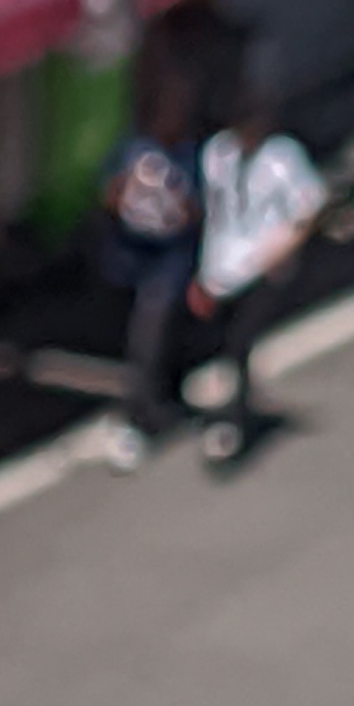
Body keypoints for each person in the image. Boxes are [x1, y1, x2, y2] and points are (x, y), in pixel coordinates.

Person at [188, 100, 323, 472]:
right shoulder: (218, 154)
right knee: (220, 346)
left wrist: (281, 248)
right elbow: (213, 213)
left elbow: (308, 206)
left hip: (261, 266)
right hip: (222, 266)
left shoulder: (281, 156)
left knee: (238, 343)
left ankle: (231, 421)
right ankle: (235, 404)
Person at [98, 85, 204, 451]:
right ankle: (140, 411)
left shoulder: (189, 156)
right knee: (143, 339)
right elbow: (108, 192)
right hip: (133, 255)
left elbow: (199, 207)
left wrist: (180, 210)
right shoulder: (134, 152)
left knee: (161, 333)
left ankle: (163, 402)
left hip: (172, 261)